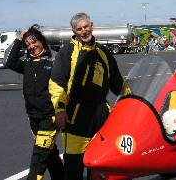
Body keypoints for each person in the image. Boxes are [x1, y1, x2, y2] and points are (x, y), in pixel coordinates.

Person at [49, 12, 130, 180]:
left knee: (102, 161)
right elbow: (57, 83)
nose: (84, 31)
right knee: (74, 164)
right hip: (76, 115)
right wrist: (60, 109)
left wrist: (131, 101)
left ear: (92, 26)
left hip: (101, 114)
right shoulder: (67, 52)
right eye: (79, 29)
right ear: (74, 31)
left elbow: (117, 81)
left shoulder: (103, 52)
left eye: (86, 27)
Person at [5, 24, 64, 180]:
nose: (32, 47)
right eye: (28, 45)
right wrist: (19, 39)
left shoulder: (54, 60)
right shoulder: (27, 63)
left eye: (34, 42)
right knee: (49, 153)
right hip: (33, 117)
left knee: (38, 158)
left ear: (41, 41)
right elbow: (9, 62)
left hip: (50, 117)